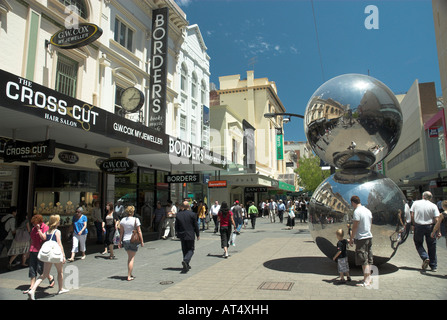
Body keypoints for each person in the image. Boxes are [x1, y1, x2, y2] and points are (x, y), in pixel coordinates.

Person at [27, 215, 68, 300]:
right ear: (56, 222)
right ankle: (60, 289)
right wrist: (63, 255)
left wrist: (39, 230)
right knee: (60, 272)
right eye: (59, 220)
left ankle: (33, 289)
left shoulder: (48, 231)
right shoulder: (57, 231)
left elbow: (43, 238)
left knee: (44, 274)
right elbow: (59, 244)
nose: (60, 222)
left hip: (48, 254)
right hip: (56, 254)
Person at [24, 215, 54, 295]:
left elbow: (44, 238)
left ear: (40, 222)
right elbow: (31, 240)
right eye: (33, 224)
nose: (34, 225)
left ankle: (50, 277)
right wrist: (28, 251)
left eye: (35, 223)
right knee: (32, 268)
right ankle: (31, 286)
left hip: (41, 250)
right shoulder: (33, 229)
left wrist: (38, 230)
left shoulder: (45, 227)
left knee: (40, 269)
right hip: (33, 250)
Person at [411, 191, 440, 272]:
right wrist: (438, 231)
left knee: (418, 243)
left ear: (423, 196)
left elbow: (412, 215)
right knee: (432, 245)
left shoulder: (416, 203)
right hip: (430, 227)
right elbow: (437, 219)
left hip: (419, 226)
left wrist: (413, 224)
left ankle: (425, 257)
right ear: (430, 198)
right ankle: (433, 266)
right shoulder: (433, 205)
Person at [349, 195, 373, 287]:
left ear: (353, 202)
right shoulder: (367, 210)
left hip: (361, 238)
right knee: (369, 258)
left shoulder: (357, 212)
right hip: (369, 236)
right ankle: (368, 278)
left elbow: (355, 226)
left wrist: (351, 238)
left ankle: (366, 281)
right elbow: (370, 224)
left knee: (363, 260)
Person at [118, 206, 144, 281]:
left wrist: (119, 242)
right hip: (133, 240)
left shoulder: (123, 220)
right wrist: (142, 241)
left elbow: (121, 232)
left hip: (125, 240)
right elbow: (139, 231)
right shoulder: (136, 220)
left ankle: (130, 273)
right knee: (131, 258)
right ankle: (129, 275)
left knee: (129, 257)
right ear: (133, 212)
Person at [175, 200, 200, 272]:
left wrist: (178, 234)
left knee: (184, 249)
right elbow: (196, 226)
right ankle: (186, 261)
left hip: (182, 234)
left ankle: (186, 264)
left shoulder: (178, 215)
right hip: (190, 234)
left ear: (182, 206)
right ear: (189, 206)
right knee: (191, 249)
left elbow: (176, 226)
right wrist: (197, 234)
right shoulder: (192, 214)